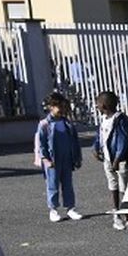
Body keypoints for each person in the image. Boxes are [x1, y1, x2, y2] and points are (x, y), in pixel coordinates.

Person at [36, 92, 84, 223]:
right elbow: (42, 144)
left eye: (63, 107)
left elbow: (74, 141)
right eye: (59, 107)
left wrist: (77, 158)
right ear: (51, 107)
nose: (62, 110)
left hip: (67, 158)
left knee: (68, 184)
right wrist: (45, 159)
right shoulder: (44, 124)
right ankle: (53, 209)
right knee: (52, 185)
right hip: (53, 160)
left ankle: (70, 208)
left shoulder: (67, 123)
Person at [92, 90, 128, 228]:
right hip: (107, 159)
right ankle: (117, 214)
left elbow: (123, 139)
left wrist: (118, 158)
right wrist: (95, 147)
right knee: (113, 185)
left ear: (104, 105)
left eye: (98, 103)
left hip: (119, 159)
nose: (96, 106)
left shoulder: (119, 119)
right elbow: (100, 135)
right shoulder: (104, 119)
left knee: (124, 186)